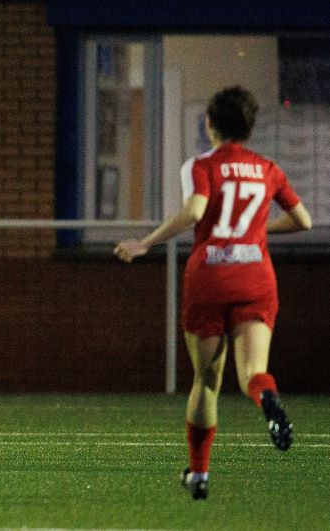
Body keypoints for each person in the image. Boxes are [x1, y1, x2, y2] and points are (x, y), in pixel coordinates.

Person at [113, 86, 312, 500]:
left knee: (206, 381)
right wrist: (258, 231)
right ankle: (269, 401)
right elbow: (303, 220)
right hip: (256, 278)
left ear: (210, 123)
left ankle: (199, 474)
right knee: (253, 373)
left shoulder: (201, 166)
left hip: (211, 278)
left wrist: (145, 243)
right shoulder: (267, 168)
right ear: (249, 126)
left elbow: (195, 212)